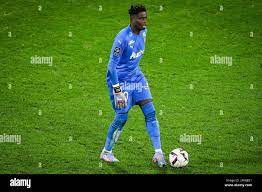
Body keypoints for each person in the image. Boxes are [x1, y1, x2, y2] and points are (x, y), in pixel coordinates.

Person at [100, 4, 166, 167]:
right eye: (141, 18)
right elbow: (111, 67)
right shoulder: (121, 39)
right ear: (132, 19)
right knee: (122, 117)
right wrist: (118, 91)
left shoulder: (144, 32)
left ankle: (158, 153)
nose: (145, 21)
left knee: (150, 112)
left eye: (146, 17)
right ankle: (106, 152)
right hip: (120, 82)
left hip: (137, 78)